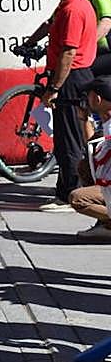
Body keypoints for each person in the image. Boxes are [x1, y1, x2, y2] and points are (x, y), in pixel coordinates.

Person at [37, 0, 99, 211]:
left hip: (72, 78)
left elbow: (68, 52)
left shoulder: (73, 9)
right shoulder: (73, 4)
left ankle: (69, 195)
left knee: (69, 139)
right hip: (76, 76)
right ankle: (68, 189)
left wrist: (54, 87)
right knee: (68, 137)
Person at [70, 75, 111, 240]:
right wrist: (84, 118)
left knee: (78, 199)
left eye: (89, 95)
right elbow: (93, 149)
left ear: (97, 99)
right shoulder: (108, 122)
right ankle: (106, 225)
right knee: (85, 166)